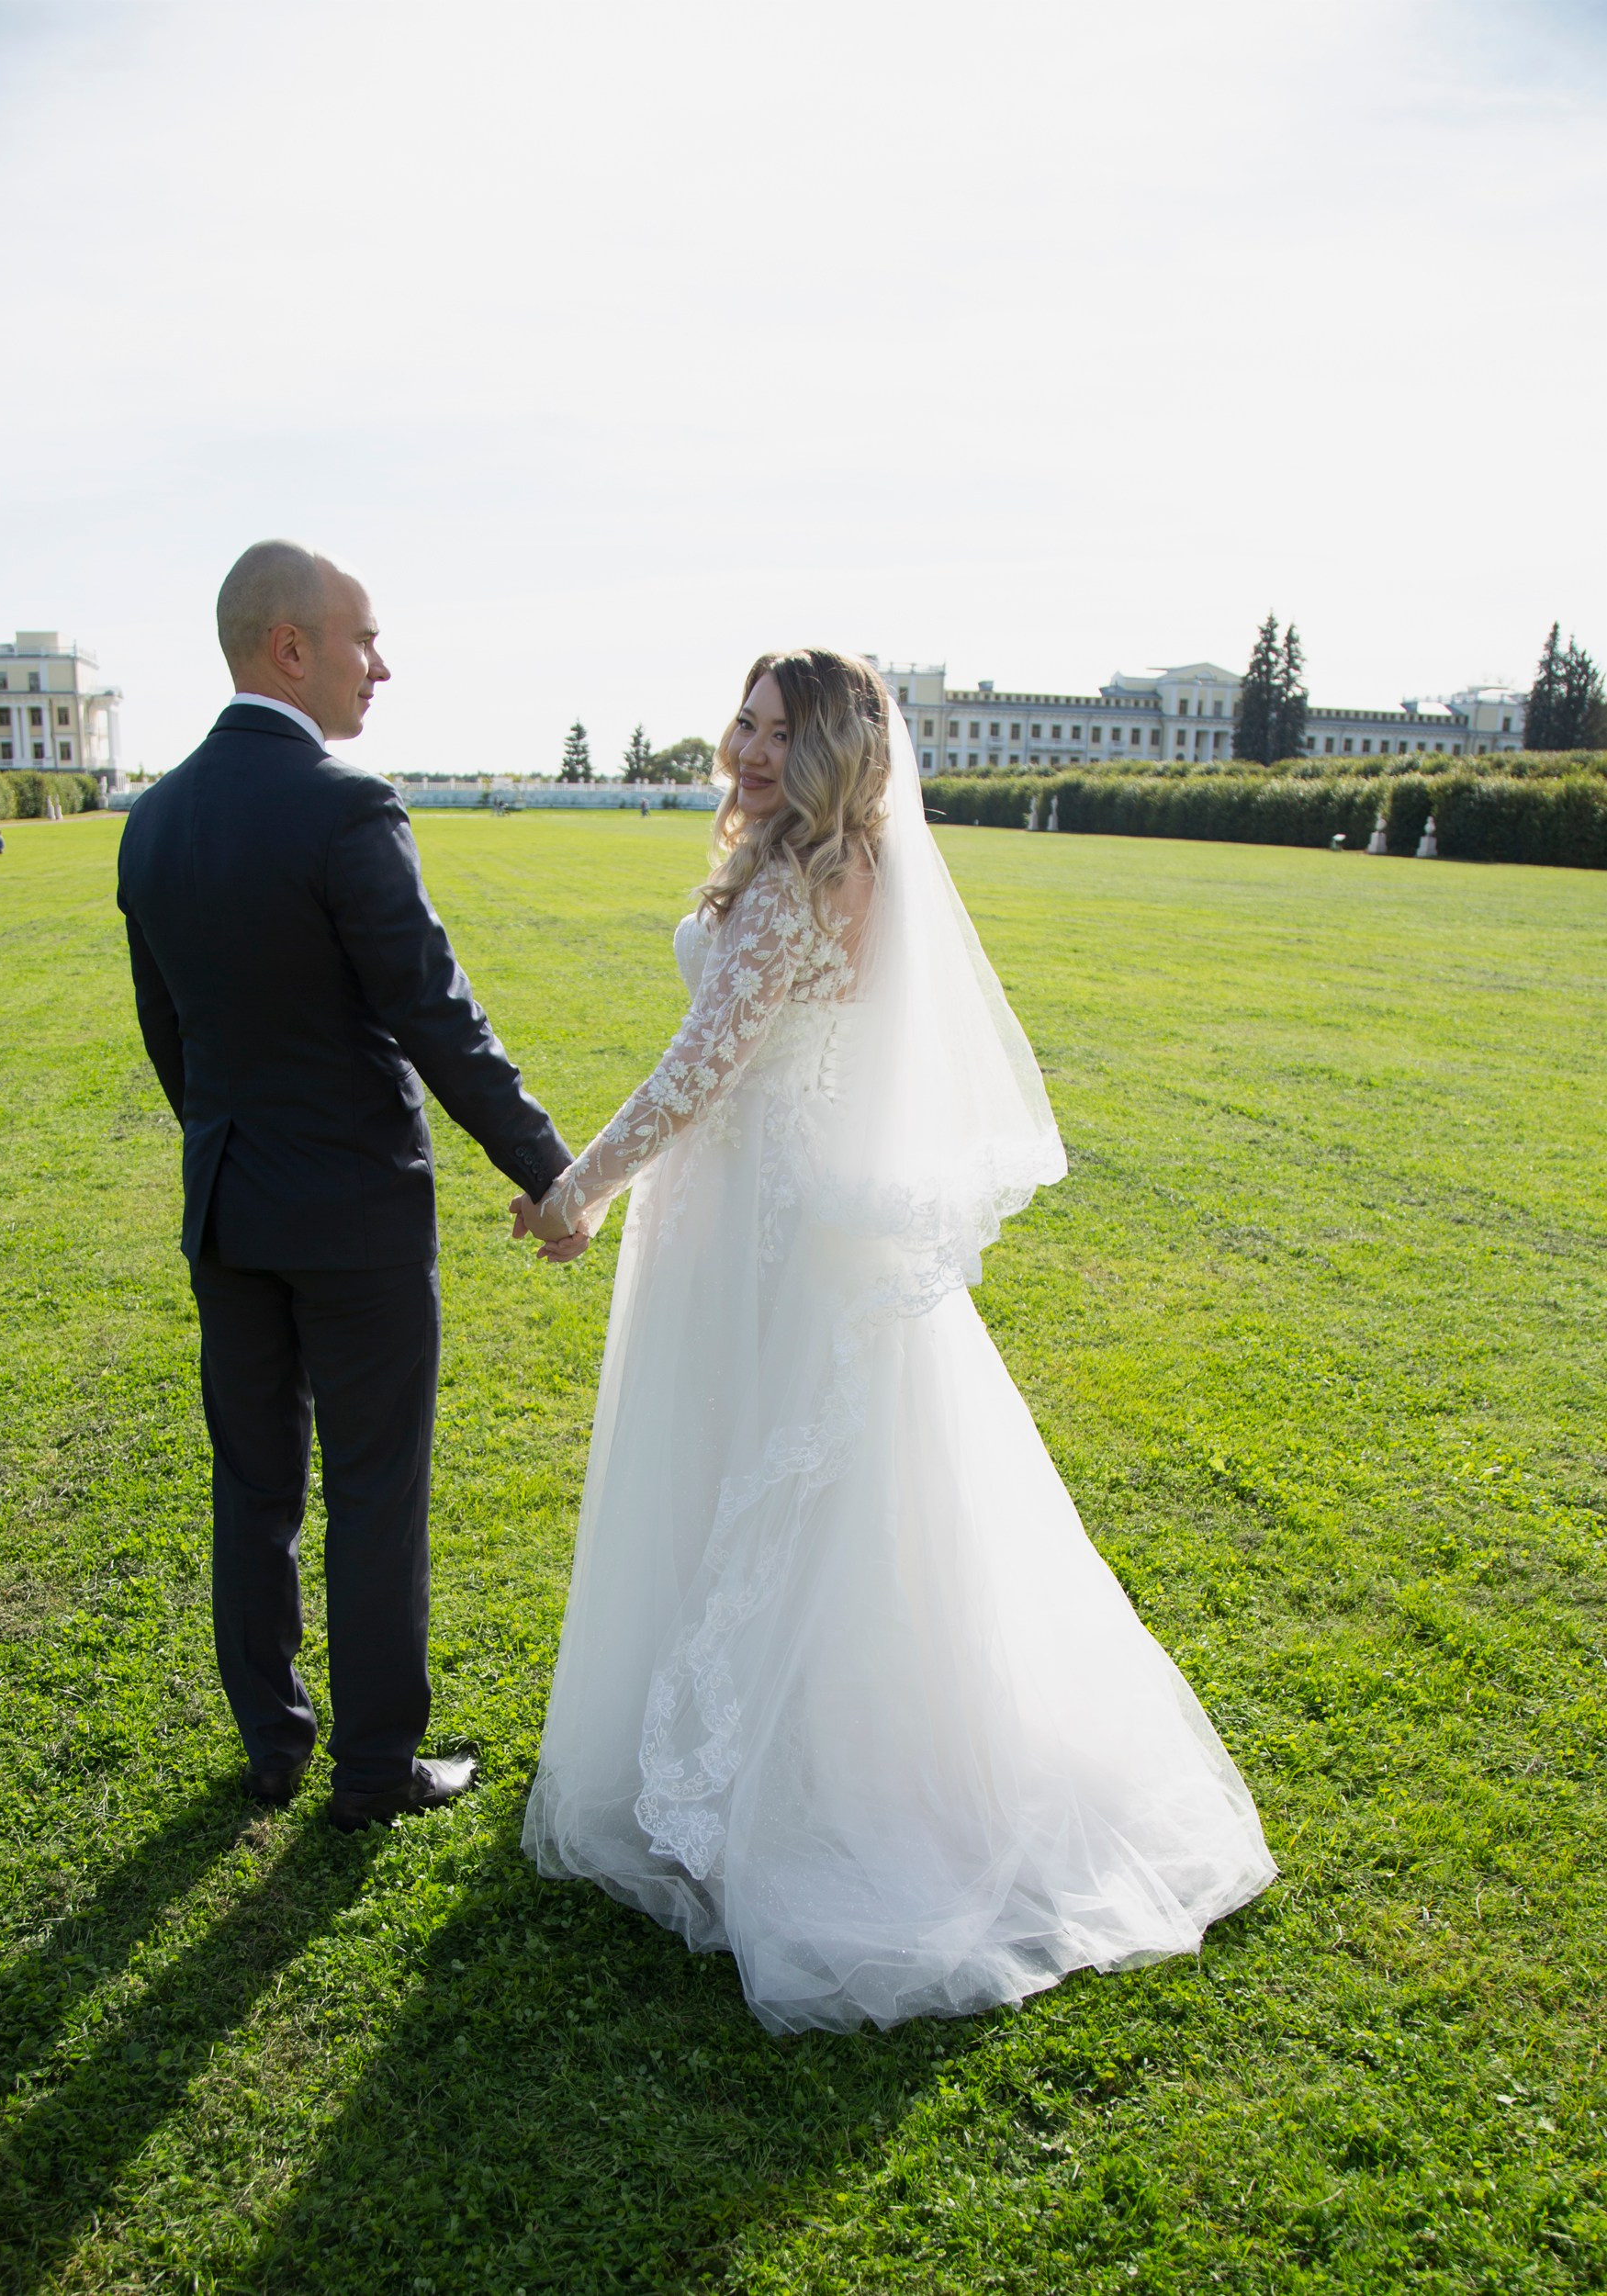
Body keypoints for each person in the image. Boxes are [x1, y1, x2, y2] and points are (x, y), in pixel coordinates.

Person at [516, 649, 1275, 2033]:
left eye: (778, 732)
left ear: (833, 753)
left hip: (765, 1228)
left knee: (787, 1488)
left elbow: (697, 1068)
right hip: (783, 1211)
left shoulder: (806, 880)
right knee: (828, 1490)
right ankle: (776, 1757)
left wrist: (576, 1189)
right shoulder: (832, 864)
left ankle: (794, 1789)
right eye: (741, 722)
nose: (746, 748)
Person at [118, 540, 579, 1832]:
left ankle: (273, 1745)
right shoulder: (344, 805)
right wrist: (552, 1172)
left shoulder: (153, 821)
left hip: (227, 1202)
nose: (383, 664)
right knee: (374, 1489)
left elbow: (174, 1038)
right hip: (358, 1218)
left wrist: (231, 1141)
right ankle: (374, 1771)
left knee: (252, 1487)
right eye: (364, 638)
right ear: (289, 648)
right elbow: (435, 1017)